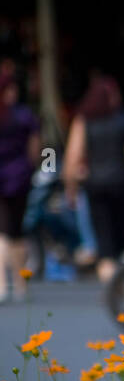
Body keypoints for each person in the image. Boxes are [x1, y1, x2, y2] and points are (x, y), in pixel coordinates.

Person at [64, 75, 124, 283]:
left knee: (103, 241)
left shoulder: (84, 122)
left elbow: (73, 157)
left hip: (95, 184)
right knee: (120, 237)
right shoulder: (123, 121)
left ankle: (109, 282)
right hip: (122, 183)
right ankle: (120, 284)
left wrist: (70, 187)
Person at [0, 71, 39, 302]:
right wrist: (32, 168)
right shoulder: (24, 116)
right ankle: (20, 283)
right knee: (17, 231)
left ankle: (2, 285)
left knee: (3, 232)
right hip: (19, 178)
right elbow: (37, 149)